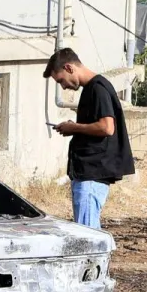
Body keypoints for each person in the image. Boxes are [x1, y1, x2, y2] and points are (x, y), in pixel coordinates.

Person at [43, 49, 135, 229]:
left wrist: (74, 127)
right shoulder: (93, 88)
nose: (63, 86)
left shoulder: (97, 88)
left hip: (92, 175)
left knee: (87, 235)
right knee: (88, 232)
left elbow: (106, 127)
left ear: (69, 68)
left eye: (61, 80)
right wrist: (74, 128)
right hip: (88, 174)